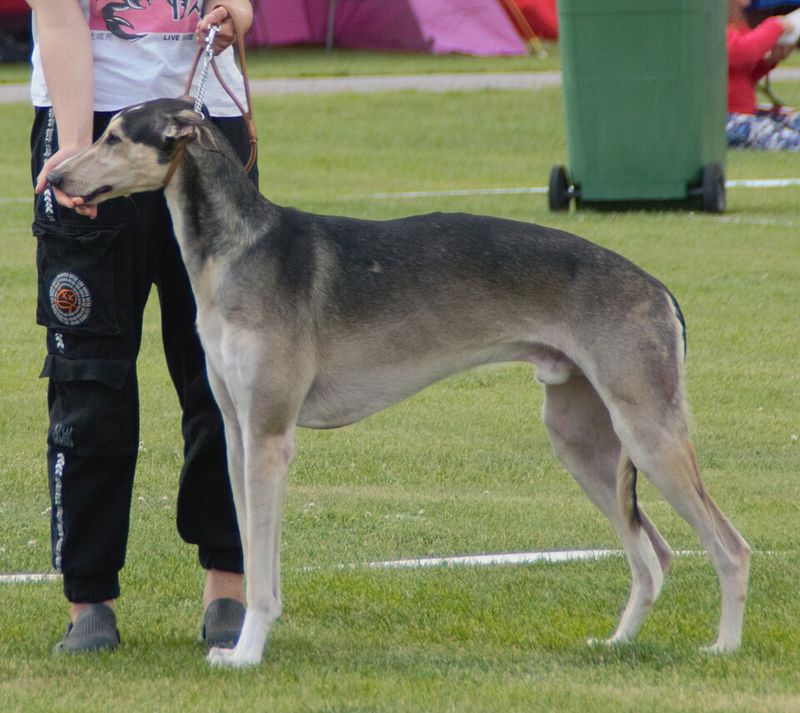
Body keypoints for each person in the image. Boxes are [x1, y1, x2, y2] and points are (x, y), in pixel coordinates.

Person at [26, 0, 256, 653]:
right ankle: (89, 597)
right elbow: (61, 14)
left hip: (207, 123)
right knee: (89, 371)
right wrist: (77, 148)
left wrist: (239, 10)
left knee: (225, 370)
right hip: (93, 123)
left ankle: (228, 585)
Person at [726, 0, 800, 150]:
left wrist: (769, 61)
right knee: (785, 139)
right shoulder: (710, 24)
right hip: (726, 119)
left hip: (745, 112)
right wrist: (775, 25)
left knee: (795, 121)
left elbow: (742, 75)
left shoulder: (736, 22)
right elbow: (742, 52)